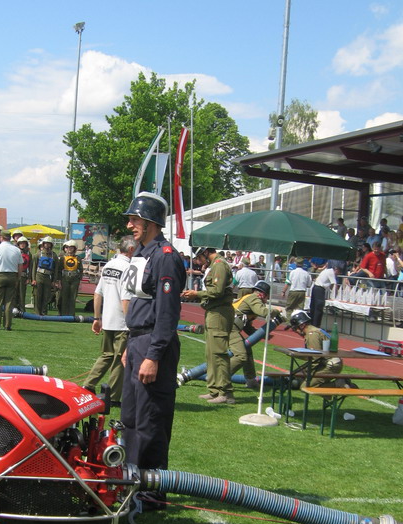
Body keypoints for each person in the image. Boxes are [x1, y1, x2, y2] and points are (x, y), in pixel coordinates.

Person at [120, 192, 185, 482]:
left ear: (151, 222)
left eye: (135, 220)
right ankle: (131, 483)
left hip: (151, 344)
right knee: (130, 418)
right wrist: (130, 344)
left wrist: (153, 354)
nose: (129, 225)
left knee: (151, 422)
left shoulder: (165, 257)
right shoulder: (142, 253)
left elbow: (167, 312)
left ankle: (150, 493)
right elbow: (139, 302)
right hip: (138, 342)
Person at [82, 235, 136, 404]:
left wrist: (97, 317)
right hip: (122, 321)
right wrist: (131, 323)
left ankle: (88, 384)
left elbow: (98, 293)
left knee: (106, 355)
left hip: (108, 319)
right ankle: (112, 397)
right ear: (131, 250)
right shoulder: (129, 268)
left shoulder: (108, 265)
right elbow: (126, 299)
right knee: (120, 359)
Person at [183, 247, 235, 404]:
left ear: (206, 253)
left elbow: (217, 291)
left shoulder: (219, 265)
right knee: (211, 354)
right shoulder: (215, 265)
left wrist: (196, 294)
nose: (199, 262)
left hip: (219, 313)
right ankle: (214, 389)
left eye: (199, 257)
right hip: (214, 312)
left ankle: (225, 391)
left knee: (219, 353)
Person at [229, 281, 284, 389]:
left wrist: (260, 335)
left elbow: (246, 325)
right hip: (229, 327)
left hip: (230, 326)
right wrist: (276, 311)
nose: (266, 300)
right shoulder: (254, 298)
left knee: (247, 351)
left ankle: (251, 380)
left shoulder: (250, 298)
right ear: (263, 294)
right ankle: (221, 378)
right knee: (241, 356)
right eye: (267, 297)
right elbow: (264, 312)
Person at [289, 310, 342, 386]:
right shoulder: (313, 331)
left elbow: (315, 358)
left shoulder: (312, 335)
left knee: (305, 386)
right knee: (301, 379)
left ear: (302, 325)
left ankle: (339, 384)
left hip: (331, 365)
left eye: (295, 329)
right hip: (326, 363)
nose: (295, 332)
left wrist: (305, 372)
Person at [0, 230, 22, 330]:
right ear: (10, 238)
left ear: (1, 237)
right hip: (12, 275)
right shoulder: (17, 250)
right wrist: (18, 278)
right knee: (9, 302)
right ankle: (7, 325)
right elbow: (20, 266)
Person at [32, 236, 58, 315]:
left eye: (49, 244)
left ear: (51, 245)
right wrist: (33, 279)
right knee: (37, 295)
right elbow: (34, 268)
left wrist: (54, 281)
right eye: (46, 243)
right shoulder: (38, 254)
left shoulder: (54, 256)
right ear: (43, 244)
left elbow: (56, 269)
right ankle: (37, 312)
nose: (47, 245)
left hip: (48, 277)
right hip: (39, 275)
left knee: (46, 296)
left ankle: (44, 312)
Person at [58, 239, 83, 316]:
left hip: (75, 279)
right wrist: (59, 281)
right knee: (64, 296)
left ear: (74, 249)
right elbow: (59, 270)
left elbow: (81, 269)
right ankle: (63, 314)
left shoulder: (78, 258)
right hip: (65, 278)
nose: (69, 249)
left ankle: (71, 314)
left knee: (73, 297)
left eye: (71, 248)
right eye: (68, 247)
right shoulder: (63, 258)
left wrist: (79, 279)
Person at [309, 258, 337, 327]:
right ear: (336, 269)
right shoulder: (331, 272)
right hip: (320, 289)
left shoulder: (326, 270)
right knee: (318, 308)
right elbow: (334, 284)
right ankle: (316, 325)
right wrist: (334, 294)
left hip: (316, 287)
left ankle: (312, 323)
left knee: (313, 307)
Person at [14, 235, 33, 312]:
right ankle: (14, 309)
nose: (22, 245)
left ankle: (22, 310)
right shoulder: (15, 252)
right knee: (14, 293)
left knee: (22, 294)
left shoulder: (29, 254)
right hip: (15, 275)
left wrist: (29, 278)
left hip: (24, 276)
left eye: (23, 243)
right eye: (20, 243)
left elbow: (30, 267)